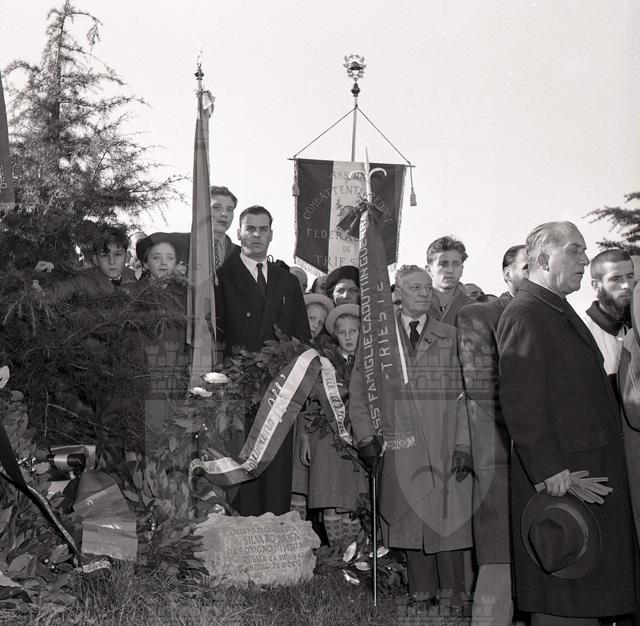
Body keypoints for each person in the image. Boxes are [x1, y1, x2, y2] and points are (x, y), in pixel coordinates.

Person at [497, 221, 637, 624]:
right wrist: (550, 470)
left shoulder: (552, 308)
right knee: (564, 596)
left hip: (584, 473)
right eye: (575, 250)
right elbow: (522, 403)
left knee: (585, 596)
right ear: (544, 259)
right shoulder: (526, 313)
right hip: (566, 478)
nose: (585, 259)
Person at [350, 265, 472, 613]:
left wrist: (464, 444)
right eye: (415, 287)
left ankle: (454, 600)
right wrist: (365, 437)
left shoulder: (450, 336)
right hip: (399, 446)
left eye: (427, 287)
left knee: (446, 526)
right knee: (409, 521)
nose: (423, 293)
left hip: (443, 446)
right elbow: (359, 390)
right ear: (397, 292)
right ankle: (421, 596)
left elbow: (465, 395)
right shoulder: (377, 340)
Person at [217, 205, 310, 516]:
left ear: (271, 234)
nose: (257, 235)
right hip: (238, 387)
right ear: (239, 233)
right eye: (250, 228)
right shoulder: (222, 278)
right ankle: (244, 530)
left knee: (276, 467)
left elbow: (301, 338)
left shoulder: (287, 282)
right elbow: (216, 334)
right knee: (243, 462)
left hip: (280, 389)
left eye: (263, 229)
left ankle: (276, 530)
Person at [457, 244, 528, 626]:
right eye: (526, 266)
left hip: (544, 459)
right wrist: (535, 431)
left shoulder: (551, 317)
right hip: (502, 453)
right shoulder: (480, 315)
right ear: (506, 273)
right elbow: (483, 387)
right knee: (499, 563)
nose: (534, 274)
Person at [296, 304, 367, 550]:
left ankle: (353, 557)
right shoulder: (324, 364)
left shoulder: (370, 364)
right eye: (342, 332)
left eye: (354, 331)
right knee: (330, 497)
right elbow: (309, 400)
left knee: (352, 502)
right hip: (325, 438)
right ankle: (338, 555)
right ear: (335, 335)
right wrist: (305, 436)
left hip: (358, 438)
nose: (348, 337)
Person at [36, 225, 136, 300]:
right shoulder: (85, 280)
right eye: (104, 255)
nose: (111, 261)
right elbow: (66, 288)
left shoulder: (136, 277)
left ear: (127, 257)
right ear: (96, 260)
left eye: (117, 254)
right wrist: (43, 294)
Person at [582, 248, 635, 377]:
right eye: (616, 279)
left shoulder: (637, 322)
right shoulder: (582, 332)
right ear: (596, 285)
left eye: (630, 276)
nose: (626, 285)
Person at [426, 236, 473, 326]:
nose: (450, 270)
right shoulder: (412, 307)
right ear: (429, 270)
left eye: (456, 264)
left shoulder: (475, 310)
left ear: (462, 269)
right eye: (443, 264)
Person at [210, 185, 240, 271]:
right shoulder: (181, 245)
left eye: (229, 209)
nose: (224, 214)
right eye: (216, 207)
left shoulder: (242, 255)